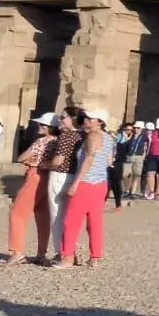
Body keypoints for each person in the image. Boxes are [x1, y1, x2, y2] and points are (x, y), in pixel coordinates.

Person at [52, 108, 116, 268]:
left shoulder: (93, 136)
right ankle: (94, 257)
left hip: (86, 183)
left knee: (71, 221)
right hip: (101, 183)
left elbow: (88, 160)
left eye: (91, 118)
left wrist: (75, 183)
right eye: (86, 117)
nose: (86, 120)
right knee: (95, 222)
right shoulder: (109, 138)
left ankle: (67, 257)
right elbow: (108, 161)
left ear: (100, 122)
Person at [4, 113, 58, 265]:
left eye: (42, 125)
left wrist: (30, 160)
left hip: (35, 175)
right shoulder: (57, 141)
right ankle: (41, 253)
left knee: (17, 212)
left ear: (49, 128)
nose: (39, 127)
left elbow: (21, 158)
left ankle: (17, 252)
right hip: (48, 177)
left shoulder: (42, 141)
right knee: (43, 216)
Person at [44, 109, 84, 253]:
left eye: (63, 117)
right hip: (74, 176)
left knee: (57, 215)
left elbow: (58, 160)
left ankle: (61, 252)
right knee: (70, 217)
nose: (60, 120)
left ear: (72, 118)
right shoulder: (82, 135)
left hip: (60, 175)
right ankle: (70, 249)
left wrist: (45, 165)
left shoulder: (66, 136)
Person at [122, 121, 149, 197]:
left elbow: (146, 147)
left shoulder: (144, 137)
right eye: (135, 128)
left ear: (141, 129)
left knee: (136, 175)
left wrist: (143, 156)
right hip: (129, 155)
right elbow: (125, 143)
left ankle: (132, 192)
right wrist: (127, 138)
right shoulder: (131, 135)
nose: (136, 129)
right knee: (125, 174)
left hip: (138, 156)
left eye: (138, 128)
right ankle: (126, 190)